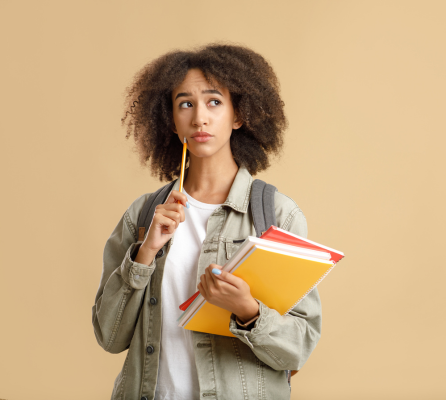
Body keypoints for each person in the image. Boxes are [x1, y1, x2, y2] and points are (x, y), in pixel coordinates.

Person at [92, 43, 321, 400]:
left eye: (214, 102)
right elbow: (109, 337)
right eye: (186, 103)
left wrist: (247, 310)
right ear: (171, 119)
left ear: (238, 115)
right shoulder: (142, 215)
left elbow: (299, 348)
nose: (199, 117)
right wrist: (146, 252)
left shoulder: (276, 215)